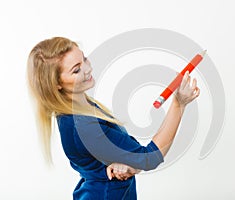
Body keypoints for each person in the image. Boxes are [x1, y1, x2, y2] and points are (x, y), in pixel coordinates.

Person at [27, 37, 200, 200]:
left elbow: (128, 158)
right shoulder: (84, 125)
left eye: (84, 59)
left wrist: (131, 166)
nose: (87, 69)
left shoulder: (80, 108)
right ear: (56, 83)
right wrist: (179, 103)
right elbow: (150, 158)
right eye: (76, 70)